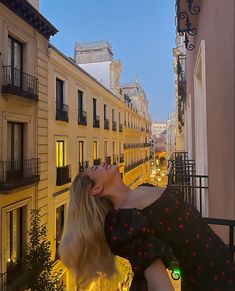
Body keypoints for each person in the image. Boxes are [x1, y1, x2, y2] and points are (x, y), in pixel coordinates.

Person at [59, 162, 235, 291]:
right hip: (210, 280)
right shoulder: (123, 220)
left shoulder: (144, 188)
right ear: (96, 188)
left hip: (223, 261)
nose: (102, 163)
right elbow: (158, 281)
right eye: (96, 168)